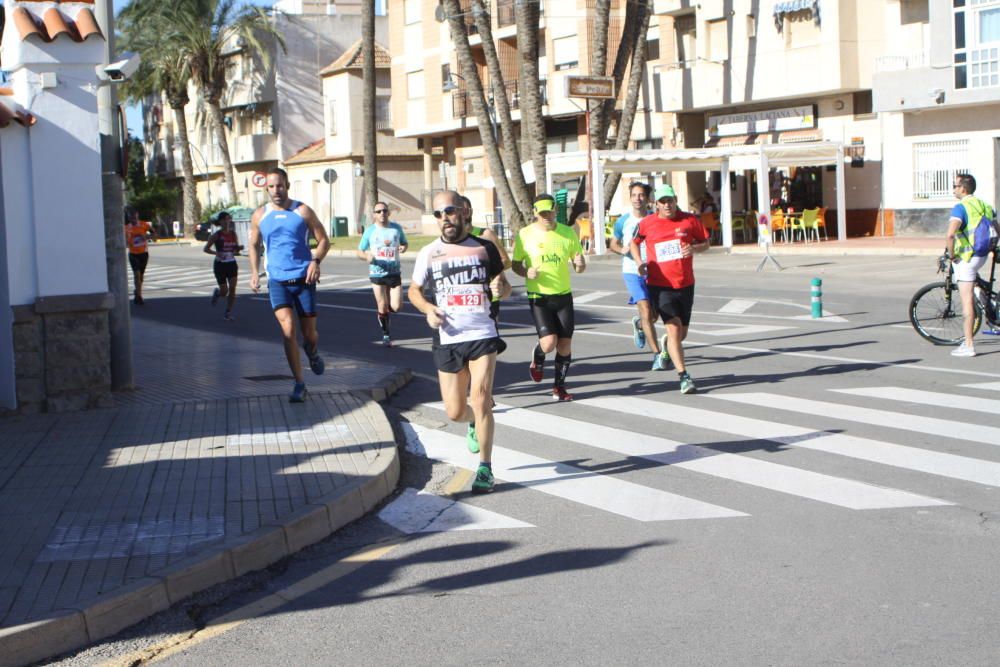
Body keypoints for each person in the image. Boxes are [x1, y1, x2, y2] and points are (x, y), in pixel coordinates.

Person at [408, 190, 506, 493]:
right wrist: (427, 309)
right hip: (448, 337)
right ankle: (475, 419)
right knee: (454, 412)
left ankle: (486, 468)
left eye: (449, 211)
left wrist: (503, 288)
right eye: (438, 214)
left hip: (482, 333)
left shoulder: (484, 248)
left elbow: (503, 286)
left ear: (464, 211)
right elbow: (413, 290)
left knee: (479, 397)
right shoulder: (428, 252)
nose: (444, 218)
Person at [248, 168, 330, 403]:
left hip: (304, 280)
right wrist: (254, 272)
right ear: (267, 189)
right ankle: (299, 383)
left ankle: (312, 351)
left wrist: (315, 261)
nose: (276, 190)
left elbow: (323, 240)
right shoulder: (260, 215)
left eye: (280, 186)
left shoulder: (302, 211)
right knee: (287, 331)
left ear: (287, 186)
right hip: (277, 280)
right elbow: (253, 245)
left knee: (309, 335)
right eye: (272, 187)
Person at [630, 184, 710, 394]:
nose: (667, 205)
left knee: (680, 334)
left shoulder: (689, 220)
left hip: (685, 284)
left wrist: (694, 248)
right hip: (659, 284)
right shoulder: (647, 223)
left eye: (670, 200)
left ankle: (666, 346)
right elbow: (633, 243)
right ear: (656, 204)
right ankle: (684, 376)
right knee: (673, 328)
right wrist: (639, 262)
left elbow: (706, 243)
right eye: (663, 201)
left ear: (675, 200)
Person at [512, 193, 586, 401]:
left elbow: (579, 266)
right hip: (539, 296)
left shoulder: (567, 233)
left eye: (549, 212)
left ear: (555, 211)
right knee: (548, 344)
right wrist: (526, 272)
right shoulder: (525, 235)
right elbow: (516, 264)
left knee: (565, 345)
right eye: (542, 212)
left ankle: (559, 388)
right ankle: (538, 355)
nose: (546, 216)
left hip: (563, 295)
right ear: (535, 213)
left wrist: (579, 264)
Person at [610, 181, 669, 370]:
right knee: (644, 310)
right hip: (632, 271)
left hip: (655, 272)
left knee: (653, 316)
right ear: (630, 197)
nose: (638, 198)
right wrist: (622, 250)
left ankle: (640, 325)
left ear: (648, 198)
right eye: (634, 195)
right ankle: (657, 355)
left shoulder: (655, 219)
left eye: (641, 195)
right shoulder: (623, 221)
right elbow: (613, 243)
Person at [946, 173, 997, 357]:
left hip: (966, 257)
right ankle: (990, 308)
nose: (954, 189)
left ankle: (968, 345)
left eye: (955, 186)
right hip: (982, 254)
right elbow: (996, 227)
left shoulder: (960, 208)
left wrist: (952, 255)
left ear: (963, 189)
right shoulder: (985, 205)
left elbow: (950, 235)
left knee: (966, 301)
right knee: (978, 284)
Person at [357, 201, 408, 346]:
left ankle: (388, 310)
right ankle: (386, 334)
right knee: (381, 304)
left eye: (384, 211)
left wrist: (403, 247)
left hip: (394, 272)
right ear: (374, 214)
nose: (382, 214)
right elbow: (360, 250)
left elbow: (404, 243)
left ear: (388, 213)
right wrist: (366, 256)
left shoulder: (396, 229)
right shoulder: (370, 231)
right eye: (378, 211)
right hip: (377, 272)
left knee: (397, 306)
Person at [459, 195, 512, 322]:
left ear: (470, 212)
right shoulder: (450, 239)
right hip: (462, 297)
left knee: (490, 334)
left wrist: (493, 272)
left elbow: (505, 261)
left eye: (465, 210)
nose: (462, 214)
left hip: (488, 295)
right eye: (458, 210)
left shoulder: (485, 234)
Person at [204, 211, 243, 321]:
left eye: (229, 219)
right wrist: (216, 253)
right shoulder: (216, 235)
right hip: (220, 265)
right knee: (224, 291)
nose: (227, 221)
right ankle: (218, 294)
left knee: (233, 288)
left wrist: (239, 248)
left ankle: (228, 312)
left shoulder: (233, 234)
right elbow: (206, 249)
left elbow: (234, 248)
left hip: (231, 263)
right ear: (220, 221)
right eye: (225, 219)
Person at [124, 205, 155, 305]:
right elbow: (123, 240)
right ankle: (139, 296)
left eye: (134, 216)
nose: (132, 218)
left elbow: (154, 235)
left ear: (137, 216)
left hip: (143, 254)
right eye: (130, 217)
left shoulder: (144, 225)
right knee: (136, 275)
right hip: (133, 254)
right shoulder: (126, 227)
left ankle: (137, 290)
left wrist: (146, 236)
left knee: (140, 276)